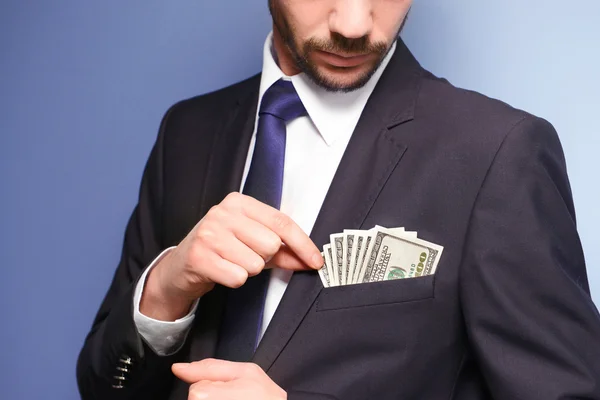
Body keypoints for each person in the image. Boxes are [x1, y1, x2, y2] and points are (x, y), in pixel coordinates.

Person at [76, 1, 600, 399]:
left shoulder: (497, 151)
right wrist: (166, 290)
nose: (354, 25)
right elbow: (102, 386)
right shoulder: (187, 133)